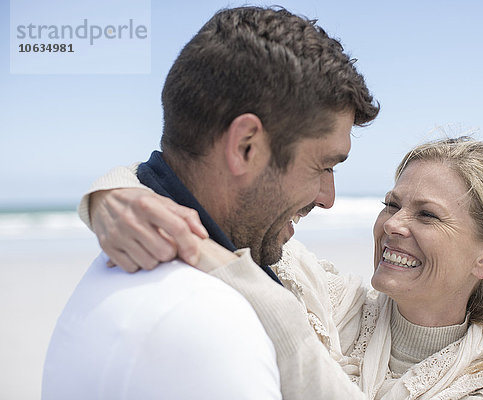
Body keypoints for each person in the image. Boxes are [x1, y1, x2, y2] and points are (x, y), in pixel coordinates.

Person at [42, 6, 379, 400]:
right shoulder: (208, 323)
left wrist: (115, 191)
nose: (328, 199)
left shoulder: (195, 275)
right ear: (245, 146)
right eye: (323, 165)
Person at [84, 137, 483, 399]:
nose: (393, 225)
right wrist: (112, 202)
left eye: (426, 215)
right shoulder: (333, 301)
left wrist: (272, 310)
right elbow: (190, 194)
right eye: (391, 204)